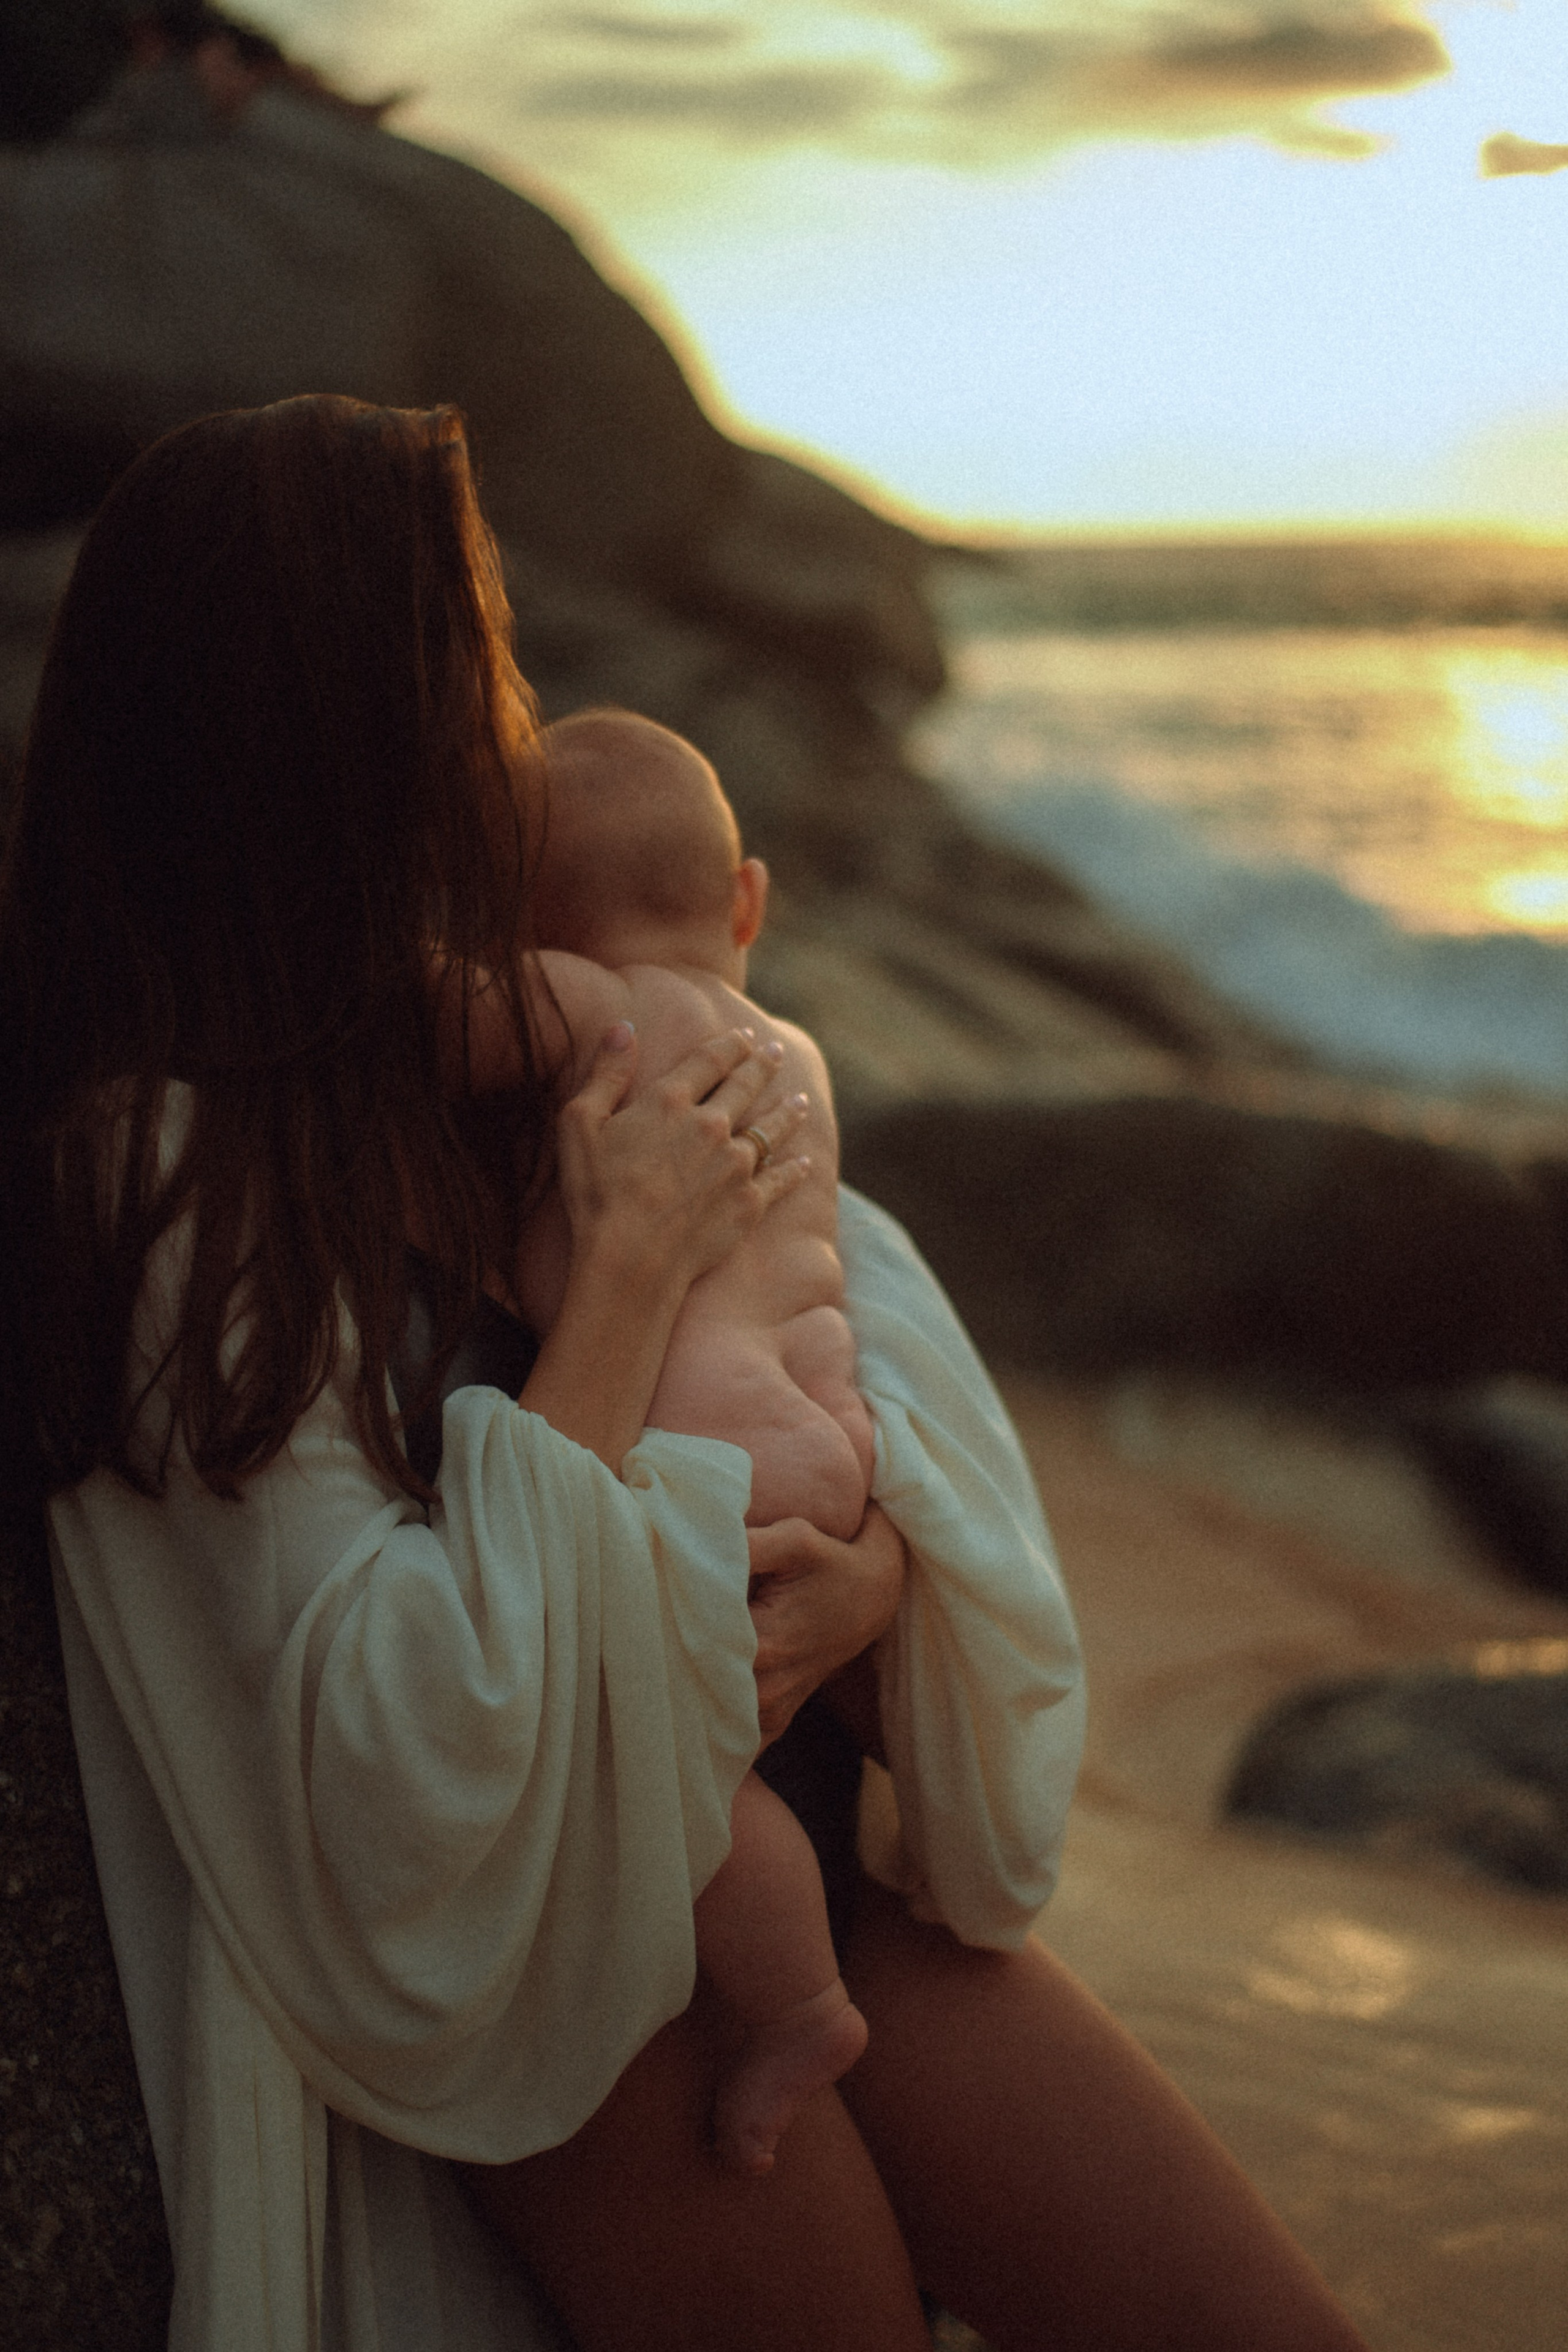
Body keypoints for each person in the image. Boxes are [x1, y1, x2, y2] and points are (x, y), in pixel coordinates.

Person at [0, 393, 1374, 2352]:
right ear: (342, 728)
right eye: (476, 652)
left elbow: (876, 1367)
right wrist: (626, 1271)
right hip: (567, 1997)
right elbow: (391, 1771)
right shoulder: (174, 1171)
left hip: (792, 1869)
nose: (512, 713)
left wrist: (882, 1579)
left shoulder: (534, 1053)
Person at [447, 704, 887, 2179]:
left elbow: (446, 1023)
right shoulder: (795, 1051)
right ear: (745, 901)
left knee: (671, 1776)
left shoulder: (603, 1005)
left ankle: (793, 2005)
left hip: (708, 1461)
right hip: (826, 1441)